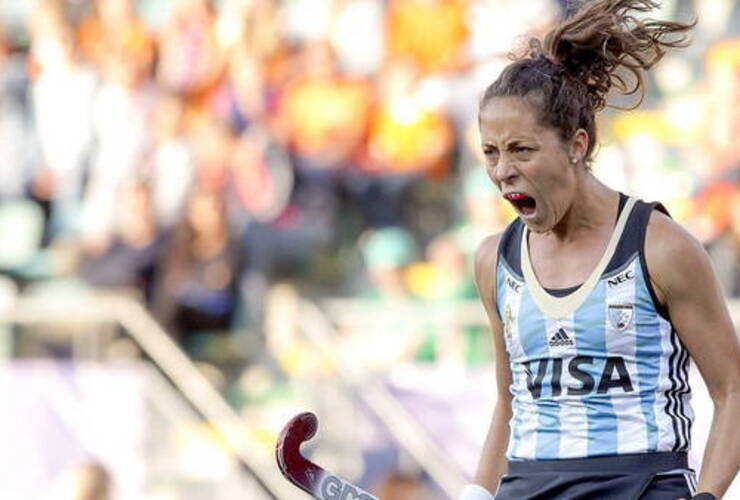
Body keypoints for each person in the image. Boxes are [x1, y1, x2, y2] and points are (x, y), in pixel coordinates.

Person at [460, 1, 740, 499]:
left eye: (522, 149)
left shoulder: (660, 246)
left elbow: (734, 390)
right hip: (529, 486)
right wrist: (478, 493)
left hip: (641, 485)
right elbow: (510, 400)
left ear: (577, 144)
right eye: (491, 151)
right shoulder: (492, 262)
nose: (502, 170)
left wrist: (709, 496)